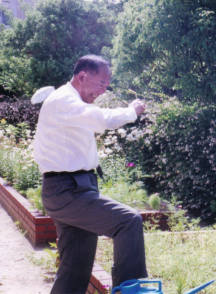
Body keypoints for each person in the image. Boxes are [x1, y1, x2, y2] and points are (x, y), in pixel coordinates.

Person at [33, 55, 148, 293]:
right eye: (101, 83)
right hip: (67, 191)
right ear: (83, 76)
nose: (103, 91)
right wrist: (131, 111)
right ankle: (130, 291)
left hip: (75, 189)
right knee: (128, 221)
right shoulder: (63, 100)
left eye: (107, 86)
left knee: (74, 270)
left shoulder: (72, 103)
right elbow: (101, 119)